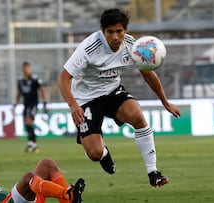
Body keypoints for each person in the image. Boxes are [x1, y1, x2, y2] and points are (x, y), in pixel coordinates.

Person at [57, 8, 180, 187]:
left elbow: (147, 73)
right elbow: (63, 77)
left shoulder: (132, 45)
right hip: (86, 99)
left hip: (113, 91)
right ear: (103, 31)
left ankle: (153, 172)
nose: (115, 37)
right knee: (94, 153)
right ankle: (104, 154)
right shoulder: (89, 48)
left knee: (138, 116)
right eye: (110, 32)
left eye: (119, 31)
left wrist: (165, 102)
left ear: (126, 30)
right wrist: (73, 105)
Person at [14, 61, 48, 153]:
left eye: (27, 68)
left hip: (33, 104)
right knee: (27, 123)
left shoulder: (34, 79)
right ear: (22, 69)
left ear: (30, 69)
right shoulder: (20, 81)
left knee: (29, 121)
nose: (26, 70)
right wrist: (15, 103)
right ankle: (30, 143)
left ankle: (34, 144)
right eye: (24, 68)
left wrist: (44, 102)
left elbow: (42, 89)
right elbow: (19, 93)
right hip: (26, 104)